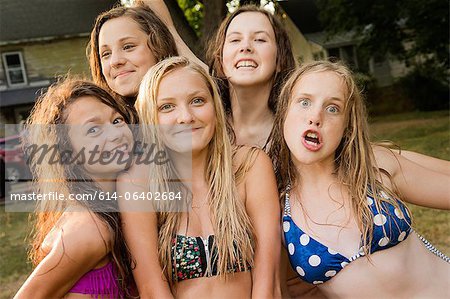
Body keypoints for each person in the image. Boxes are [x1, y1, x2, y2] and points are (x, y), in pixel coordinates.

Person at [269, 60, 450, 298]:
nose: (315, 116)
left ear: (347, 126)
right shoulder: (279, 208)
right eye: (304, 102)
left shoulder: (373, 168)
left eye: (333, 108)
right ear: (284, 112)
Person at [117, 56, 281, 298]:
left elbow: (268, 281)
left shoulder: (251, 166)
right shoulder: (137, 182)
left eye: (197, 101)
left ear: (215, 106)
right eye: (167, 107)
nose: (185, 117)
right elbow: (152, 289)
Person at [15, 79, 137, 298]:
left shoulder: (114, 207)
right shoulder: (91, 228)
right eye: (93, 129)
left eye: (117, 120)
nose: (115, 133)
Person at [207, 5, 296, 149]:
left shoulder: (295, 136)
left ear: (280, 59)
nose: (245, 47)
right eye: (235, 40)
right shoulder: (201, 128)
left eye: (260, 39)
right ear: (220, 59)